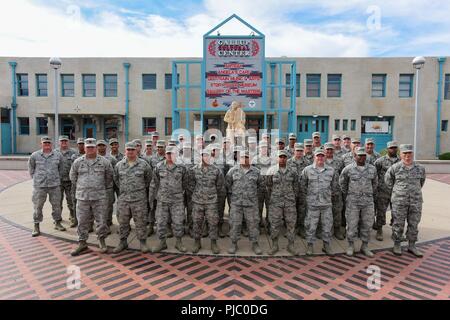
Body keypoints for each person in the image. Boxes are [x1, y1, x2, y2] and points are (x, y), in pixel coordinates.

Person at [69, 138, 113, 256]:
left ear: (96, 148)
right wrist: (83, 187)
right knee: (82, 221)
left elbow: (109, 179)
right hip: (83, 197)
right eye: (88, 147)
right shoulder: (78, 162)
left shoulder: (104, 162)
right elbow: (73, 177)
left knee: (101, 221)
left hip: (99, 197)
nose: (90, 149)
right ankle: (82, 242)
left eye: (92, 147)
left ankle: (102, 240)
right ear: (84, 148)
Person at [385, 144, 426, 257]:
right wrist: (398, 192)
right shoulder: (395, 168)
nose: (407, 156)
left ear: (413, 154)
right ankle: (397, 244)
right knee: (398, 223)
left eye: (410, 153)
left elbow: (421, 182)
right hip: (399, 201)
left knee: (414, 224)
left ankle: (412, 245)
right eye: (405, 153)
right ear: (400, 154)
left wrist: (413, 192)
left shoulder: (420, 168)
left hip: (415, 201)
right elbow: (388, 182)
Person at [113, 142, 152, 253]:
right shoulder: (119, 165)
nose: (130, 152)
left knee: (141, 222)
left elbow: (148, 179)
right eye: (128, 149)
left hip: (139, 199)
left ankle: (143, 242)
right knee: (123, 222)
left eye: (132, 150)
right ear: (125, 151)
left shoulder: (144, 165)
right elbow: (116, 180)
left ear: (136, 151)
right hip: (124, 199)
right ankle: (123, 242)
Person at [339, 147, 378, 257]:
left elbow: (375, 183)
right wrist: (351, 193)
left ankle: (364, 246)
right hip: (353, 201)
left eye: (363, 155)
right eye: (359, 155)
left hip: (368, 202)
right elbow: (342, 183)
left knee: (367, 224)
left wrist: (367, 193)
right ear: (355, 156)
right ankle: (350, 245)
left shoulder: (372, 169)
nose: (362, 157)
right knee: (352, 224)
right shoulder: (348, 169)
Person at [149, 146, 188, 253]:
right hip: (162, 200)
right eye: (168, 153)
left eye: (172, 153)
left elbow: (185, 183)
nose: (170, 155)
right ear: (165, 154)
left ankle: (178, 242)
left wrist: (179, 193)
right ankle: (162, 242)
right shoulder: (158, 167)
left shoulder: (182, 167)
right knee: (161, 222)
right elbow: (154, 183)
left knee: (178, 222)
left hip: (177, 200)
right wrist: (151, 199)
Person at [301, 148, 339, 256]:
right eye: (318, 156)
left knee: (327, 225)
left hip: (326, 204)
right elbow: (302, 185)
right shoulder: (307, 170)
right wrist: (309, 197)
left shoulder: (331, 170)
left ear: (325, 157)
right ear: (314, 157)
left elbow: (335, 186)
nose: (320, 158)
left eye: (322, 156)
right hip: (313, 204)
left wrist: (329, 195)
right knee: (311, 225)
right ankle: (310, 245)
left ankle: (326, 245)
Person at [226, 150, 263, 255]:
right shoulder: (232, 171)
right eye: (242, 157)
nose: (244, 159)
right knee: (235, 224)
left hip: (251, 204)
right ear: (239, 158)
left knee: (253, 224)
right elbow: (228, 184)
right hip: (236, 203)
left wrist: (253, 196)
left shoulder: (256, 171)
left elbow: (261, 186)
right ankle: (233, 243)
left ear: (250, 159)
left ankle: (255, 243)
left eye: (247, 157)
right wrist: (234, 196)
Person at [188, 149, 225, 254]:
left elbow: (219, 185)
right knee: (196, 222)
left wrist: (211, 193)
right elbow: (190, 184)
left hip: (211, 201)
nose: (206, 157)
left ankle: (213, 243)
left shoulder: (216, 170)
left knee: (213, 222)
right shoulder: (194, 170)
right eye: (204, 155)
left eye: (208, 155)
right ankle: (197, 242)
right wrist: (197, 193)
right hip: (197, 201)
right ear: (201, 156)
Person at [28, 136, 66, 237]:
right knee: (38, 206)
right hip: (40, 186)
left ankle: (57, 222)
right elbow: (31, 169)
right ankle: (36, 225)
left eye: (48, 143)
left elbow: (61, 169)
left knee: (56, 205)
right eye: (45, 143)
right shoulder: (34, 155)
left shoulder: (58, 155)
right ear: (41, 144)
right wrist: (37, 179)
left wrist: (57, 178)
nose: (47, 145)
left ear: (51, 144)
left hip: (54, 185)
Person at [266, 150, 300, 256]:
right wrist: (274, 196)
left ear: (287, 158)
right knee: (275, 224)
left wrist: (292, 196)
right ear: (277, 158)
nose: (282, 159)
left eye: (284, 157)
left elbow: (296, 186)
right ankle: (275, 245)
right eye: (280, 157)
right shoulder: (271, 170)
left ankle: (291, 245)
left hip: (289, 202)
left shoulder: (292, 171)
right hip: (276, 202)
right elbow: (268, 185)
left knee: (291, 224)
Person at [373, 141, 400, 241]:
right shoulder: (380, 161)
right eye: (391, 148)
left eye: (394, 148)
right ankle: (379, 230)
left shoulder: (400, 161)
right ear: (387, 149)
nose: (393, 149)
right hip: (383, 191)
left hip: (397, 191)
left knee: (396, 212)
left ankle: (395, 230)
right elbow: (374, 174)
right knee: (381, 211)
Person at [323, 142, 345, 240]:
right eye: (327, 149)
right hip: (324, 192)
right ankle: (326, 230)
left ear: (334, 150)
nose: (329, 151)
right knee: (325, 213)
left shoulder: (339, 161)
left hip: (337, 192)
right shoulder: (320, 161)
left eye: (331, 149)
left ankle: (337, 230)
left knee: (337, 211)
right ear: (324, 150)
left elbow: (343, 176)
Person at [287, 143, 309, 238]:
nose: (299, 152)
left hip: (304, 191)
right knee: (291, 210)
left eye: (301, 151)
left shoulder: (307, 163)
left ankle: (301, 228)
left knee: (303, 210)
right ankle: (292, 229)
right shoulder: (288, 162)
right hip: (291, 190)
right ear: (294, 151)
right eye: (297, 151)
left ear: (303, 151)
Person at [55, 135, 76, 227]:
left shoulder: (73, 152)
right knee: (57, 201)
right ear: (59, 142)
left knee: (71, 200)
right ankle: (58, 219)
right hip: (58, 182)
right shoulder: (54, 152)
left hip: (69, 181)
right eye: (62, 141)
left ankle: (72, 216)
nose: (64, 143)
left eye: (65, 141)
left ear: (68, 142)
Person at [252, 141, 273, 233]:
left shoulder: (272, 160)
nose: (264, 149)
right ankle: (258, 225)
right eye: (262, 147)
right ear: (259, 148)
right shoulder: (254, 160)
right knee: (258, 208)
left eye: (265, 148)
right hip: (258, 189)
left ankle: (269, 225)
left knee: (270, 207)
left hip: (269, 188)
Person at [97, 140, 118, 229]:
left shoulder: (112, 159)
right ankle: (99, 223)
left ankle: (108, 222)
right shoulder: (94, 158)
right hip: (97, 187)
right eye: (99, 146)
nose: (101, 147)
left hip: (109, 187)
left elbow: (116, 173)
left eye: (103, 146)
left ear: (106, 147)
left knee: (109, 205)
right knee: (97, 206)